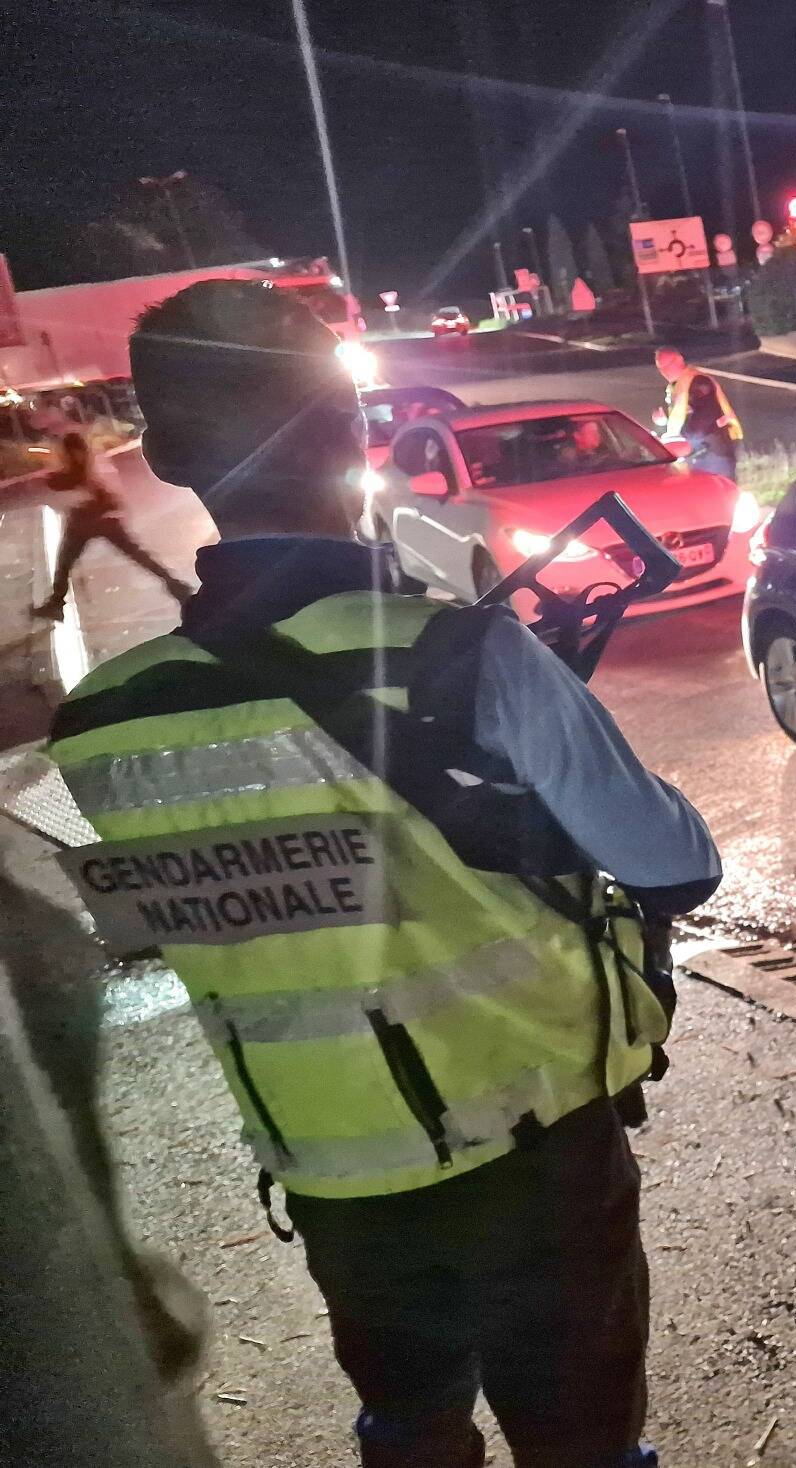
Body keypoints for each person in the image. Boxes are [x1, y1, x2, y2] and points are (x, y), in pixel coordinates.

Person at [46, 280, 723, 1468]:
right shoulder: (459, 652)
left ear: (165, 455)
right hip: (533, 1157)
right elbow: (672, 861)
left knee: (409, 1428)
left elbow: (232, 906)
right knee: (581, 1443)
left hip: (329, 1172)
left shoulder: (103, 722)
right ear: (350, 426)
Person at [32, 429, 195, 619]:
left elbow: (82, 487)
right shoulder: (91, 464)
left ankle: (55, 604)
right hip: (97, 519)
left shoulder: (82, 468)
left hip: (88, 519)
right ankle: (176, 586)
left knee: (66, 563)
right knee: (136, 555)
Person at [651, 347, 742, 479]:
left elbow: (703, 420)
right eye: (661, 368)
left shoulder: (698, 382)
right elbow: (682, 418)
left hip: (714, 450)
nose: (665, 371)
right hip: (698, 451)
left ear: (680, 360)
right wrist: (664, 422)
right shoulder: (676, 386)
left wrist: (681, 439)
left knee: (721, 491)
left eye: (668, 365)